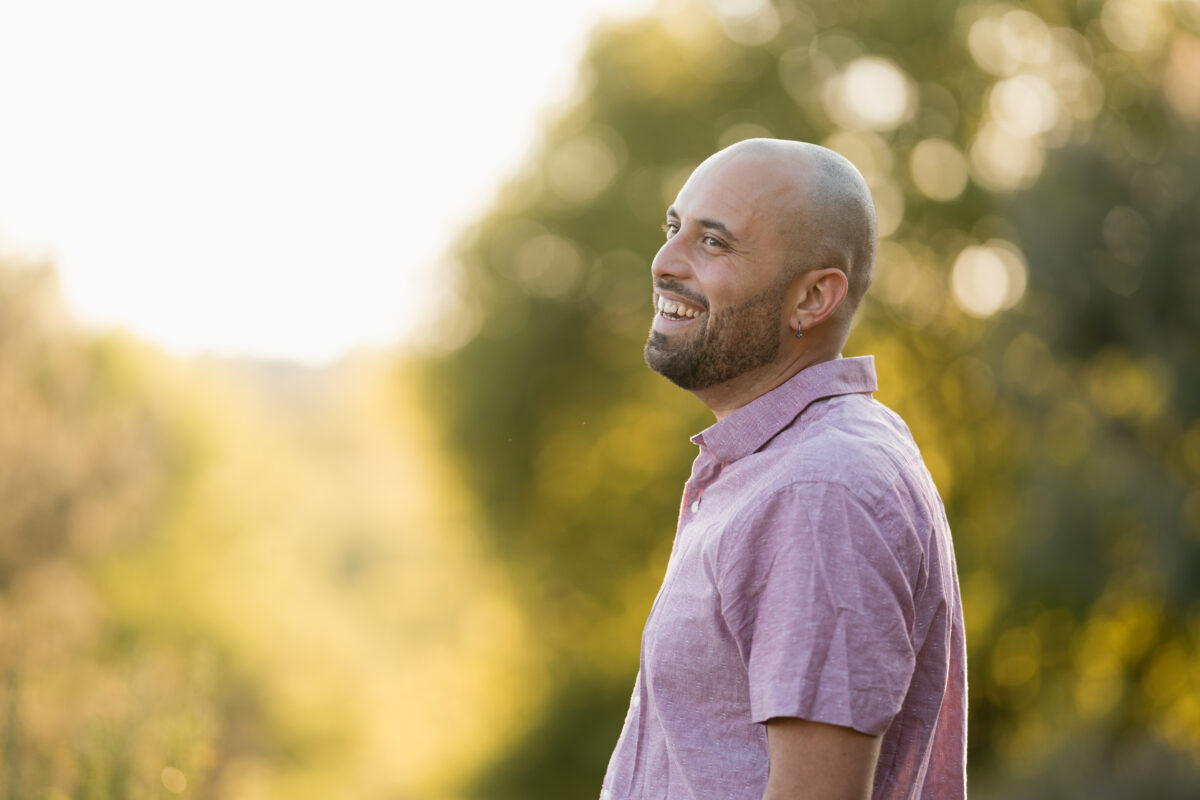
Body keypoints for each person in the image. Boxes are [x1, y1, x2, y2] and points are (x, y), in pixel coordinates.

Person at [600, 139, 967, 800]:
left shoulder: (817, 491)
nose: (663, 263)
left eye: (714, 243)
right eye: (674, 228)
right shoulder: (787, 467)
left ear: (812, 298)